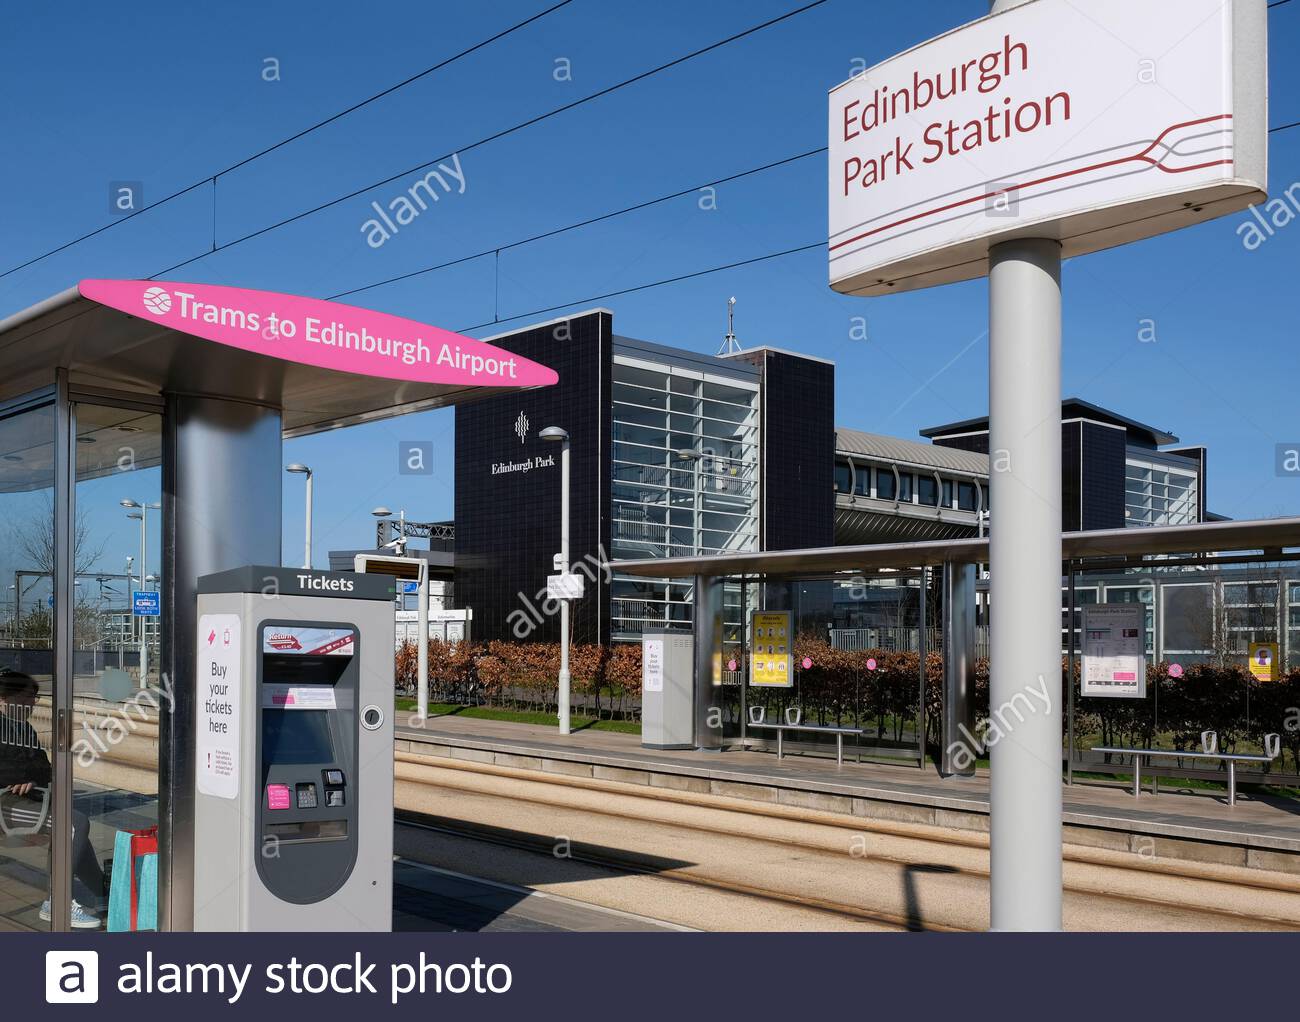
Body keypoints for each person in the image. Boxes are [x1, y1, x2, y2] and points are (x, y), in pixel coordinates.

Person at [0, 670, 103, 929]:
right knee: (73, 825)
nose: (33, 703)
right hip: (4, 804)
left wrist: (31, 779)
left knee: (74, 828)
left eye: (33, 697)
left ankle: (102, 893)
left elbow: (44, 769)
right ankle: (55, 901)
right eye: (26, 698)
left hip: (24, 801)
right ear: (3, 699)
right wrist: (19, 775)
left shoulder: (25, 730)